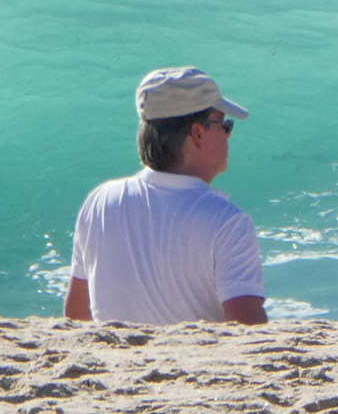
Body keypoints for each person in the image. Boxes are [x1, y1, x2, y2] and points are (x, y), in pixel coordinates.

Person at [64, 67, 267, 326]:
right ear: (198, 134)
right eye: (224, 125)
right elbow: (250, 332)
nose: (228, 134)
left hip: (113, 364)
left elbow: (76, 318)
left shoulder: (99, 202)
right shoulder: (227, 221)